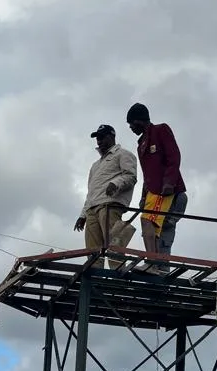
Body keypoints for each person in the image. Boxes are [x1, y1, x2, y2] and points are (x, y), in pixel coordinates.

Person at [126, 102, 187, 267]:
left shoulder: (161, 130)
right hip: (152, 191)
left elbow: (174, 157)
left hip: (164, 190)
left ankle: (152, 263)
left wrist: (169, 183)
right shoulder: (141, 145)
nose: (130, 127)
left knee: (148, 221)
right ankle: (154, 263)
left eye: (131, 123)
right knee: (152, 227)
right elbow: (147, 175)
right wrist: (143, 196)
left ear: (139, 120)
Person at [74, 124, 137, 264]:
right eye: (97, 138)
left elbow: (131, 176)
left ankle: (117, 280)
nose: (98, 141)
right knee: (93, 253)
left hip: (109, 206)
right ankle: (96, 280)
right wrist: (82, 215)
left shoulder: (123, 154)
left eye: (102, 137)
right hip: (92, 210)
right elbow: (90, 192)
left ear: (112, 136)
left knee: (114, 247)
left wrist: (116, 183)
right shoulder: (95, 165)